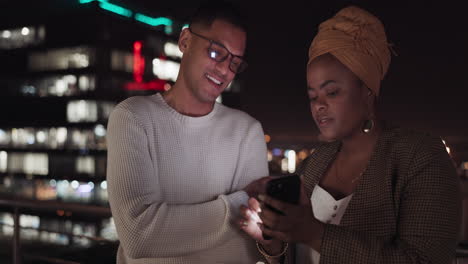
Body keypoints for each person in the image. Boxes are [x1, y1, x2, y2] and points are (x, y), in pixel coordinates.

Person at [239, 5, 461, 264]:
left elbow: (425, 259)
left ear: (367, 90)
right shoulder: (316, 162)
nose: (319, 105)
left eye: (332, 92)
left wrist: (315, 234)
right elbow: (294, 253)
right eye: (313, 96)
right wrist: (272, 240)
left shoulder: (421, 157)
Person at [106, 1, 269, 263]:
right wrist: (239, 202)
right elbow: (138, 235)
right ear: (185, 40)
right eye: (217, 53)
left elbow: (254, 238)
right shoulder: (133, 117)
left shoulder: (247, 130)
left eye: (235, 63)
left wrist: (172, 226)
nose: (225, 70)